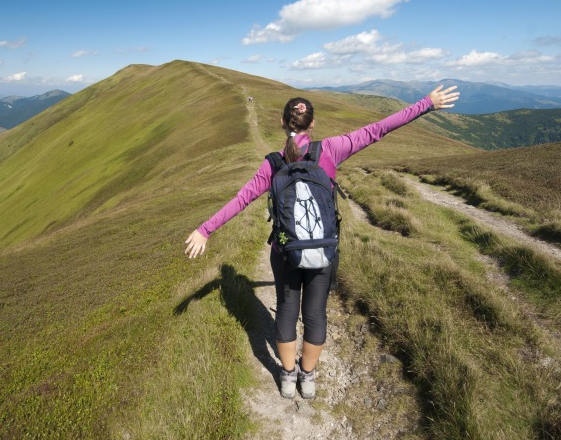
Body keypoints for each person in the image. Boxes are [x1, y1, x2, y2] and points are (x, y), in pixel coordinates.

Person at [184, 85, 460, 399]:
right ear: (311, 125)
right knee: (315, 314)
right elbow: (380, 129)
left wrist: (205, 230)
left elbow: (242, 199)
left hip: (286, 252)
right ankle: (308, 376)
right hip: (323, 251)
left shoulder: (272, 163)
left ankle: (287, 377)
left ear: (283, 124)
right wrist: (427, 104)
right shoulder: (330, 149)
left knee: (287, 311)